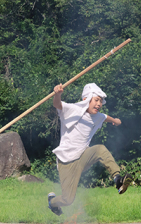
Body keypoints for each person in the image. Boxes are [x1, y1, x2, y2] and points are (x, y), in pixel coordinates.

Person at [48, 83, 133, 215]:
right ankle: (52, 203)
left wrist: (115, 121)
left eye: (101, 101)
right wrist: (57, 94)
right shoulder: (72, 109)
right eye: (96, 100)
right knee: (68, 199)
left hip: (82, 156)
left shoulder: (98, 116)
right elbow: (57, 104)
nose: (99, 104)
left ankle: (118, 179)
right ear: (86, 100)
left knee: (100, 149)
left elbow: (106, 118)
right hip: (66, 162)